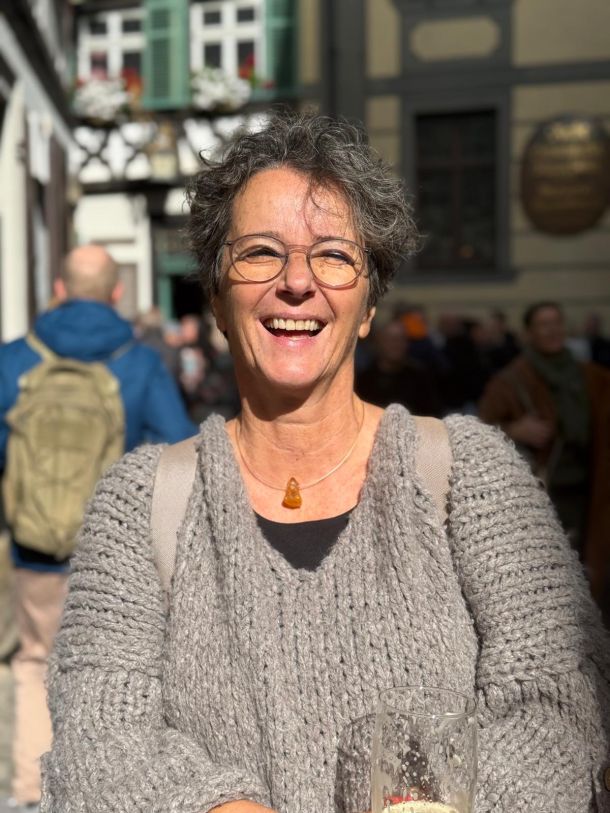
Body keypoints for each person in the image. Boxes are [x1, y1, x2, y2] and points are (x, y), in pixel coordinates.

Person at [42, 115, 609, 813]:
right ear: (217, 298)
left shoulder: (473, 475)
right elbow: (99, 739)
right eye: (260, 253)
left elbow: (559, 701)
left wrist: (447, 805)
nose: (296, 283)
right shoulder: (140, 503)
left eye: (334, 256)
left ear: (368, 305)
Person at [0, 244, 196, 811]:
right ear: (117, 292)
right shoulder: (139, 362)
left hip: (35, 547)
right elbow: (179, 449)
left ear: (59, 289)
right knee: (112, 671)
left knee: (34, 660)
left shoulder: (14, 359)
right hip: (116, 556)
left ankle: (29, 792)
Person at [479, 301, 610, 607]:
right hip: (543, 491)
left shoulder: (592, 376)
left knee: (594, 566)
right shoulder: (512, 380)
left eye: (557, 323)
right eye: (543, 325)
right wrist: (513, 429)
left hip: (593, 488)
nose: (552, 331)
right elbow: (479, 429)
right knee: (549, 573)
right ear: (529, 333)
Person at [355, 319, 443, 416]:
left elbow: (432, 414)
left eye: (401, 339)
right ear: (379, 342)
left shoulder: (420, 377)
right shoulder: (364, 379)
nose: (396, 344)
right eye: (391, 339)